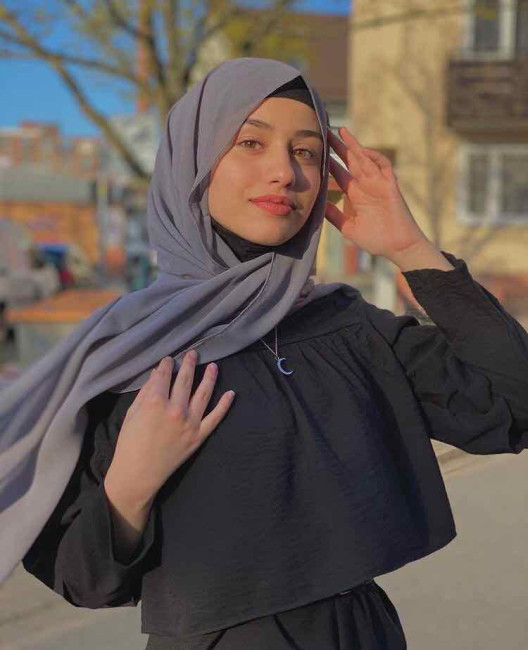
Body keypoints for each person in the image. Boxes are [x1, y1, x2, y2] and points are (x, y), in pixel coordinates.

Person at [3, 57, 527, 649]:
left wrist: (411, 249)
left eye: (306, 152)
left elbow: (513, 406)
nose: (283, 172)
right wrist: (131, 481)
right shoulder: (127, 353)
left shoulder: (346, 326)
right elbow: (84, 579)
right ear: (194, 163)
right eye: (250, 142)